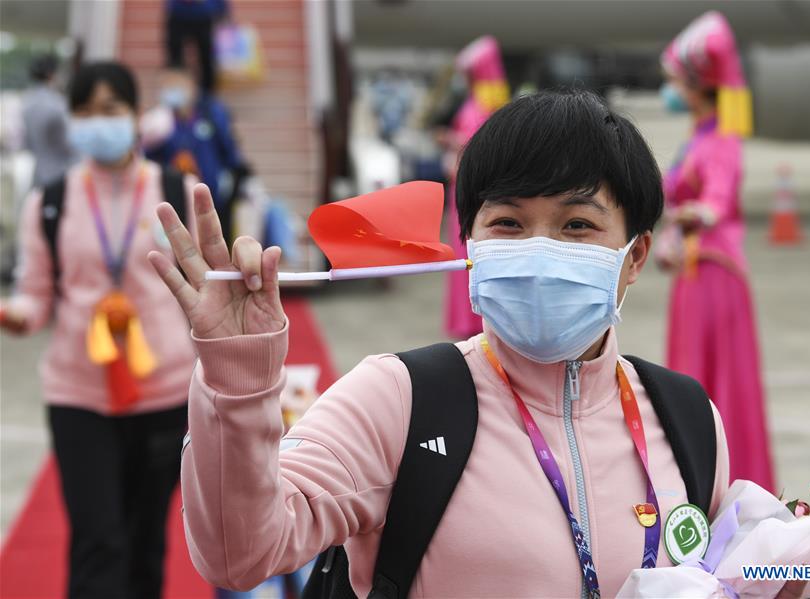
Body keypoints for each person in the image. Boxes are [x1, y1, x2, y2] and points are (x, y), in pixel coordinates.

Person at [150, 89, 733, 597]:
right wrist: (236, 381)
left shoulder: (686, 418)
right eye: (507, 222)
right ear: (469, 248)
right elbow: (239, 555)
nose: (537, 249)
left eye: (576, 225)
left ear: (634, 257)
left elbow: (726, 573)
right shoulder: (398, 400)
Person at [0, 62, 196, 599]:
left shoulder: (177, 192)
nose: (96, 122)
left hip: (164, 392)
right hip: (78, 394)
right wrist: (15, 314)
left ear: (137, 118)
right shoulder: (51, 201)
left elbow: (207, 290)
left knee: (145, 540)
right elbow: (35, 294)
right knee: (97, 538)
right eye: (84, 112)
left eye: (110, 110)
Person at [657, 11, 776, 492]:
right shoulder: (698, 136)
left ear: (696, 86)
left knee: (714, 379)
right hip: (692, 270)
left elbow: (716, 205)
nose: (671, 91)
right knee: (694, 373)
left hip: (714, 273)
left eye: (677, 83)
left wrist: (684, 219)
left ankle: (727, 475)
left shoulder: (721, 139)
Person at [442, 35, 510, 339]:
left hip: (473, 192)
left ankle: (473, 319)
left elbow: (481, 149)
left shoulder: (486, 104)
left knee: (473, 251)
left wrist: (455, 146)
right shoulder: (481, 101)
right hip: (462, 191)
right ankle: (468, 319)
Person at [145, 64, 245, 242]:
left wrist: (233, 180)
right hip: (174, 200)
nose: (171, 91)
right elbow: (148, 158)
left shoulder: (211, 115)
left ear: (190, 86)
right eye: (165, 86)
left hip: (213, 199)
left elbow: (229, 150)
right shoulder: (160, 123)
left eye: (175, 85)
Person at [21, 54, 77, 188]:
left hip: (38, 171)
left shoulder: (27, 101)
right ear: (52, 74)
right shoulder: (57, 104)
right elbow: (68, 144)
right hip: (60, 174)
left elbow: (27, 142)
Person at [165, 0, 229, 93]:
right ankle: (174, 91)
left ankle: (208, 93)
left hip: (203, 16)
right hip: (178, 14)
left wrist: (223, 10)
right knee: (175, 59)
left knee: (206, 58)